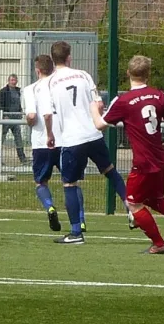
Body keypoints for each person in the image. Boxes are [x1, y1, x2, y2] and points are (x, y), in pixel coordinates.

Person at [90, 55, 164, 254]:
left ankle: (159, 243)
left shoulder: (123, 101)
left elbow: (99, 125)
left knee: (133, 203)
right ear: (148, 74)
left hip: (143, 161)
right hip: (159, 156)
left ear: (128, 73)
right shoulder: (158, 95)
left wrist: (94, 109)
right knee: (154, 198)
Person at [40, 41, 129, 244]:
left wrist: (50, 134)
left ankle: (75, 233)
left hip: (73, 139)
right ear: (69, 57)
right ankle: (129, 205)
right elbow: (98, 103)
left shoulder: (49, 83)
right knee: (110, 171)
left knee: (69, 183)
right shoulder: (83, 75)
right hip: (93, 134)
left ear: (53, 60)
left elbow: (47, 114)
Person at [22, 55, 62, 231]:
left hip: (42, 142)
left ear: (37, 70)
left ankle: (50, 207)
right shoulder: (60, 85)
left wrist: (29, 122)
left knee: (41, 182)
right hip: (65, 140)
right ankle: (80, 221)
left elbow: (32, 116)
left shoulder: (31, 89)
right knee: (71, 183)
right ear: (52, 69)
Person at [0, 74, 28, 164]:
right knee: (1, 139)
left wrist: (20, 111)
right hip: (6, 119)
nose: (14, 82)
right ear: (8, 81)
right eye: (12, 80)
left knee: (18, 138)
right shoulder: (3, 92)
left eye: (15, 80)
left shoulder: (18, 91)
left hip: (16, 119)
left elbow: (18, 103)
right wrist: (3, 115)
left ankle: (22, 159)